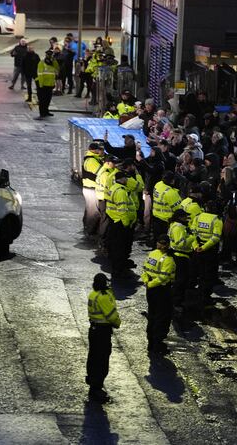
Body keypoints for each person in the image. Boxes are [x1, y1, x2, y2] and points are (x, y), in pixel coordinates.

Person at [86, 272, 120, 402]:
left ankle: (91, 380)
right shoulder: (103, 297)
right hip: (102, 331)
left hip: (94, 330)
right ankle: (97, 387)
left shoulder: (93, 294)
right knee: (102, 359)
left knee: (93, 357)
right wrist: (117, 323)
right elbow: (112, 316)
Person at [141, 235, 176, 354]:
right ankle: (157, 343)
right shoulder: (168, 259)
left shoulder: (152, 254)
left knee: (152, 314)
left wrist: (147, 282)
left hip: (150, 289)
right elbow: (163, 277)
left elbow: (145, 270)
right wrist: (150, 284)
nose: (161, 245)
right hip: (161, 290)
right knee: (163, 317)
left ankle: (151, 341)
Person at [191, 200, 223, 307]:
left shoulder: (198, 217)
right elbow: (215, 238)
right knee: (209, 275)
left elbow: (193, 233)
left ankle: (198, 295)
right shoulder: (217, 220)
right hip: (209, 251)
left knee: (199, 273)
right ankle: (205, 298)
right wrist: (204, 248)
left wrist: (196, 246)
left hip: (197, 250)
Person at [168, 209, 195, 315]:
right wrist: (191, 238)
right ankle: (177, 303)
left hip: (179, 255)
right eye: (184, 216)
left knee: (180, 280)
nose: (186, 218)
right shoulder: (178, 227)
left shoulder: (175, 225)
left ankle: (177, 301)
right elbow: (180, 244)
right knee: (180, 280)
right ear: (179, 217)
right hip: (181, 256)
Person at [105, 171, 132, 272]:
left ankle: (117, 266)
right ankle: (119, 269)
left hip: (114, 220)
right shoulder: (121, 192)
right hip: (120, 222)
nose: (127, 180)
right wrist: (126, 224)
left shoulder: (114, 188)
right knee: (119, 247)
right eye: (126, 178)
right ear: (122, 179)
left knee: (115, 246)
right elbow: (122, 210)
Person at [151, 170, 182, 245]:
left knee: (157, 241)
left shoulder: (158, 184)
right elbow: (179, 210)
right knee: (165, 243)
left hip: (156, 217)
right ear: (172, 181)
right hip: (166, 221)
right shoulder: (171, 193)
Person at [82, 142, 105, 238]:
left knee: (90, 210)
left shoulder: (93, 159)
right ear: (95, 150)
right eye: (100, 150)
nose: (102, 152)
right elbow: (101, 172)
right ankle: (90, 232)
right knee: (93, 212)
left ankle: (88, 229)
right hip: (91, 189)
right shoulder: (92, 161)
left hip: (90, 188)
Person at [34, 49, 57, 119]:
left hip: (50, 85)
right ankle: (42, 114)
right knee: (42, 100)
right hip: (42, 85)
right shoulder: (41, 63)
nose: (50, 57)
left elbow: (56, 70)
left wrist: (54, 60)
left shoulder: (53, 63)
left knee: (48, 99)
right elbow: (40, 74)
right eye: (49, 55)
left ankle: (46, 111)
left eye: (51, 55)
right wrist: (40, 85)